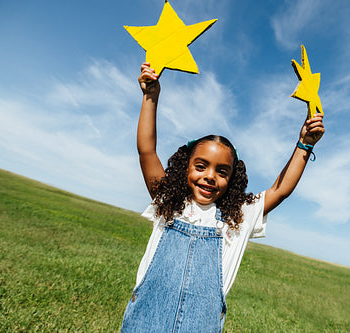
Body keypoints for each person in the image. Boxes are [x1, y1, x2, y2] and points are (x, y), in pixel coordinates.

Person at [120, 62, 325, 332]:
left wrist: (305, 144)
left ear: (232, 179)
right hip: (144, 322)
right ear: (186, 167)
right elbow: (147, 150)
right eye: (201, 166)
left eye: (222, 171)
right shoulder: (168, 200)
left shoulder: (239, 215)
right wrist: (150, 96)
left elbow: (280, 189)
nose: (209, 176)